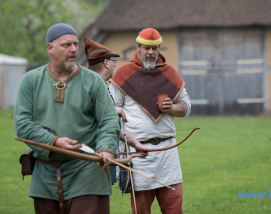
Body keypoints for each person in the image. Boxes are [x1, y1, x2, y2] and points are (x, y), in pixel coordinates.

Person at [14, 23, 120, 214]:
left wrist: (106, 149)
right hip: (45, 177)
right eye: (66, 45)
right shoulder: (30, 81)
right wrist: (53, 142)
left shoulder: (93, 80)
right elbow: (22, 123)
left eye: (75, 44)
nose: (73, 49)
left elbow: (108, 120)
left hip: (87, 173)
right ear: (50, 48)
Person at [109, 28, 191, 214]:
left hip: (168, 153)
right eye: (146, 48)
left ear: (159, 48)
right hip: (139, 154)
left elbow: (187, 106)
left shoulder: (169, 73)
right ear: (138, 47)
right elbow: (111, 115)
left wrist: (173, 108)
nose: (150, 52)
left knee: (174, 209)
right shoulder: (123, 74)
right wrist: (127, 144)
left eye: (154, 48)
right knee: (142, 211)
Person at [83, 37, 148, 184]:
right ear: (106, 63)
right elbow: (84, 117)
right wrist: (112, 111)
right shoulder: (87, 87)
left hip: (105, 157)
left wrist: (135, 144)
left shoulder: (103, 87)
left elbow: (111, 126)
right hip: (92, 160)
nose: (114, 66)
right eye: (114, 62)